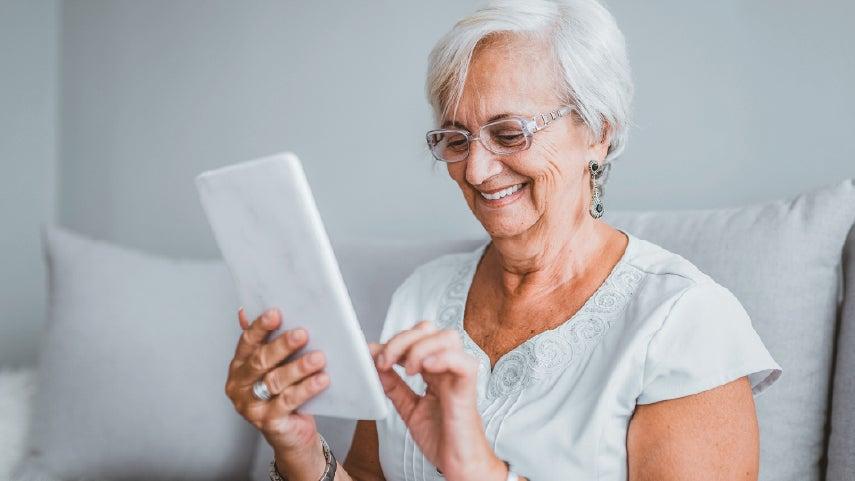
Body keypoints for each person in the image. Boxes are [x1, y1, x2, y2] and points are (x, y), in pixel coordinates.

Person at [225, 1, 782, 480]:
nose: (477, 170)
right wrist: (297, 446)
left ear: (599, 131)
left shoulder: (684, 324)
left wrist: (481, 472)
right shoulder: (421, 297)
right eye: (455, 139)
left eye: (509, 132)